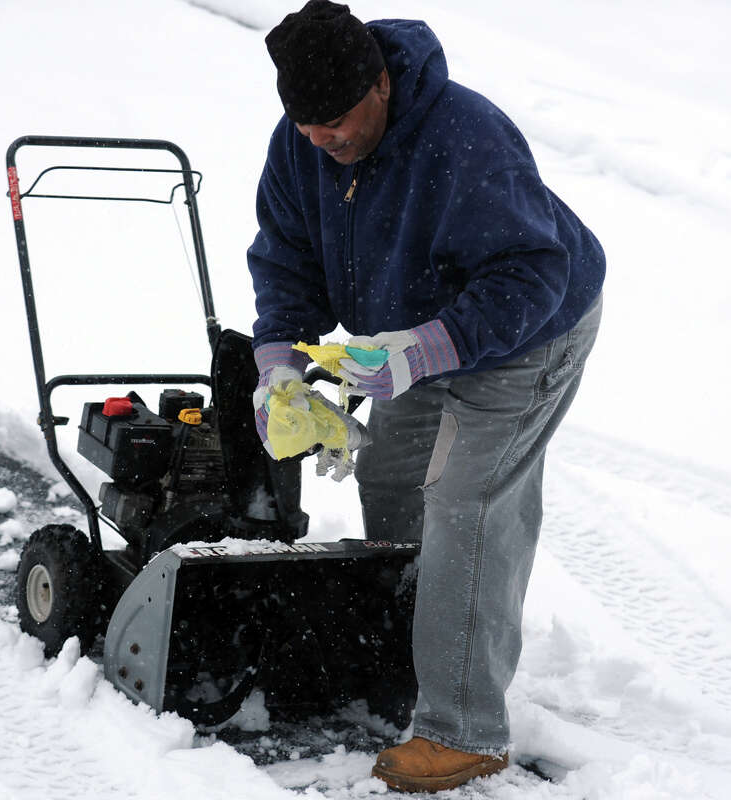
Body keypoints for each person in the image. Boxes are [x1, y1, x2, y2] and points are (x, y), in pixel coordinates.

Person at [247, 0, 605, 792]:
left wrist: (424, 351)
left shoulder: (466, 136)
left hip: (528, 332)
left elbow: (530, 273)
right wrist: (279, 368)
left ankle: (465, 729)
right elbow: (286, 259)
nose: (322, 142)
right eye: (307, 126)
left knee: (467, 502)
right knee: (392, 476)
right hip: (415, 330)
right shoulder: (301, 144)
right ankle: (407, 648)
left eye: (336, 121)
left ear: (380, 84)